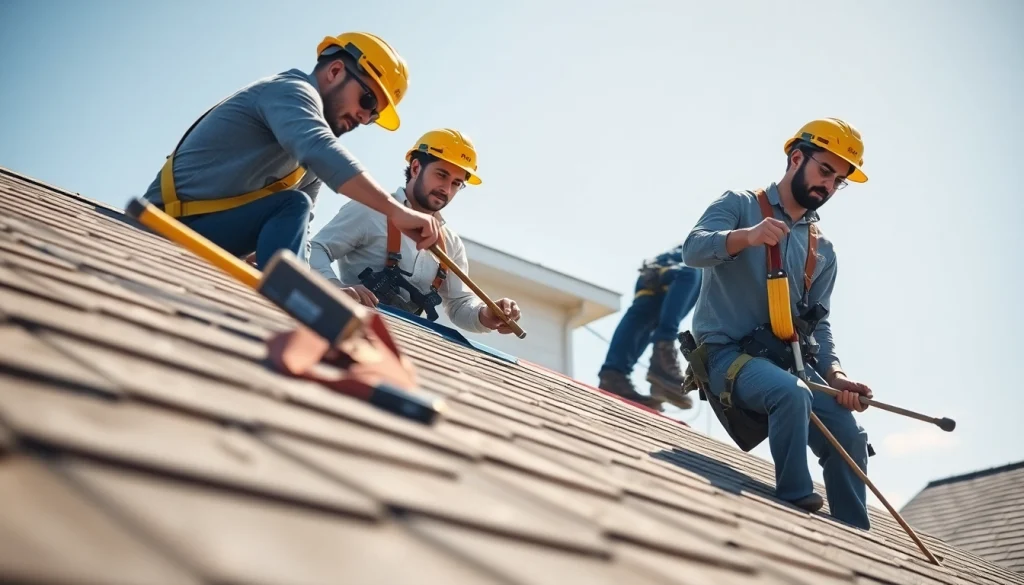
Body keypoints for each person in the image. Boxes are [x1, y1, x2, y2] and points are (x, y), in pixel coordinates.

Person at [679, 118, 874, 529]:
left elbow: (818, 326)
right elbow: (692, 250)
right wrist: (746, 236)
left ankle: (857, 537)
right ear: (797, 158)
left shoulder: (823, 250)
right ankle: (794, 501)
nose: (828, 186)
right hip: (724, 356)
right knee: (791, 393)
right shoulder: (740, 205)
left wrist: (837, 377)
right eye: (825, 171)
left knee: (850, 437)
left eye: (838, 181)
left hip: (788, 364)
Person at [140, 32, 440, 269]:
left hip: (205, 233)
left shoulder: (309, 167)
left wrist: (326, 286)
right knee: (293, 204)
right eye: (368, 101)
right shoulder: (289, 91)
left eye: (373, 115)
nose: (365, 118)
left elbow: (301, 234)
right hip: (162, 224)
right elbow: (320, 148)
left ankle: (294, 293)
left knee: (297, 210)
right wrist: (395, 211)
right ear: (336, 71)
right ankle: (292, 297)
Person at [308, 128, 522, 335]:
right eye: (441, 175)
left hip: (406, 343)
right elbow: (315, 248)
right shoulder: (370, 210)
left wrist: (486, 314)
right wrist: (334, 287)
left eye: (456, 183)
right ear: (416, 167)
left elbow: (459, 304)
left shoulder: (451, 244)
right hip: (349, 330)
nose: (446, 189)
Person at [597, 249, 702, 411]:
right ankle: (662, 352)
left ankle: (614, 377)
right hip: (673, 265)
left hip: (662, 269)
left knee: (646, 313)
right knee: (692, 271)